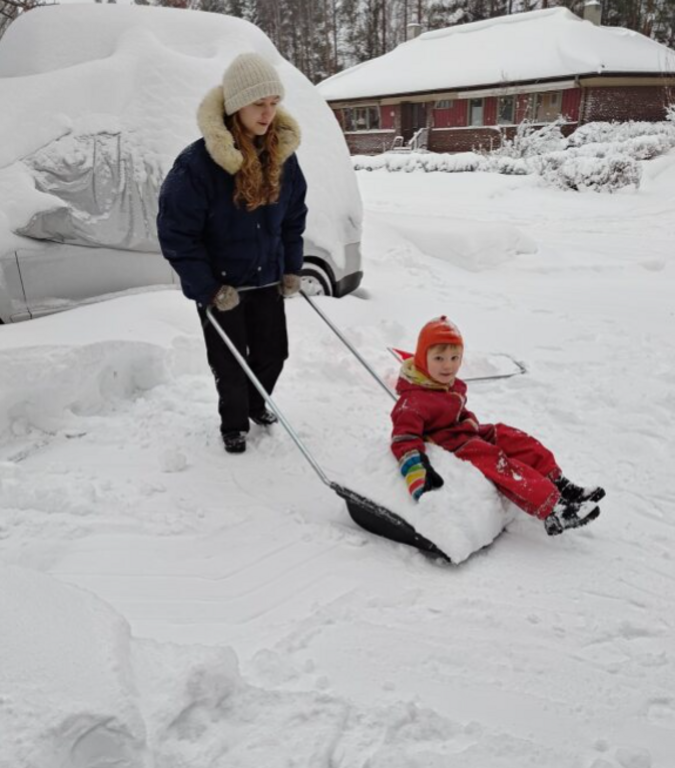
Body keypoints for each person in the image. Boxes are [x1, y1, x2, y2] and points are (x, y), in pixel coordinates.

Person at [157, 53, 307, 454]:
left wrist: (291, 269)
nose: (268, 113)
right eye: (259, 104)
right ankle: (234, 423)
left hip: (268, 280)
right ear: (236, 105)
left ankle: (258, 404)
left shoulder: (282, 158)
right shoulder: (198, 165)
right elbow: (176, 234)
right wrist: (209, 288)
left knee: (274, 353)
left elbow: (294, 217)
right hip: (223, 286)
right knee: (229, 362)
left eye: (274, 103)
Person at [390, 316, 605, 536]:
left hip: (466, 432)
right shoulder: (412, 402)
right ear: (422, 359)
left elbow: (458, 411)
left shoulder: (445, 384)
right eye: (439, 358)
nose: (448, 365)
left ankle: (561, 484)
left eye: (455, 357)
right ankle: (554, 510)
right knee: (501, 464)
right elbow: (403, 438)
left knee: (512, 437)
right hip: (454, 445)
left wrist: (468, 420)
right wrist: (417, 470)